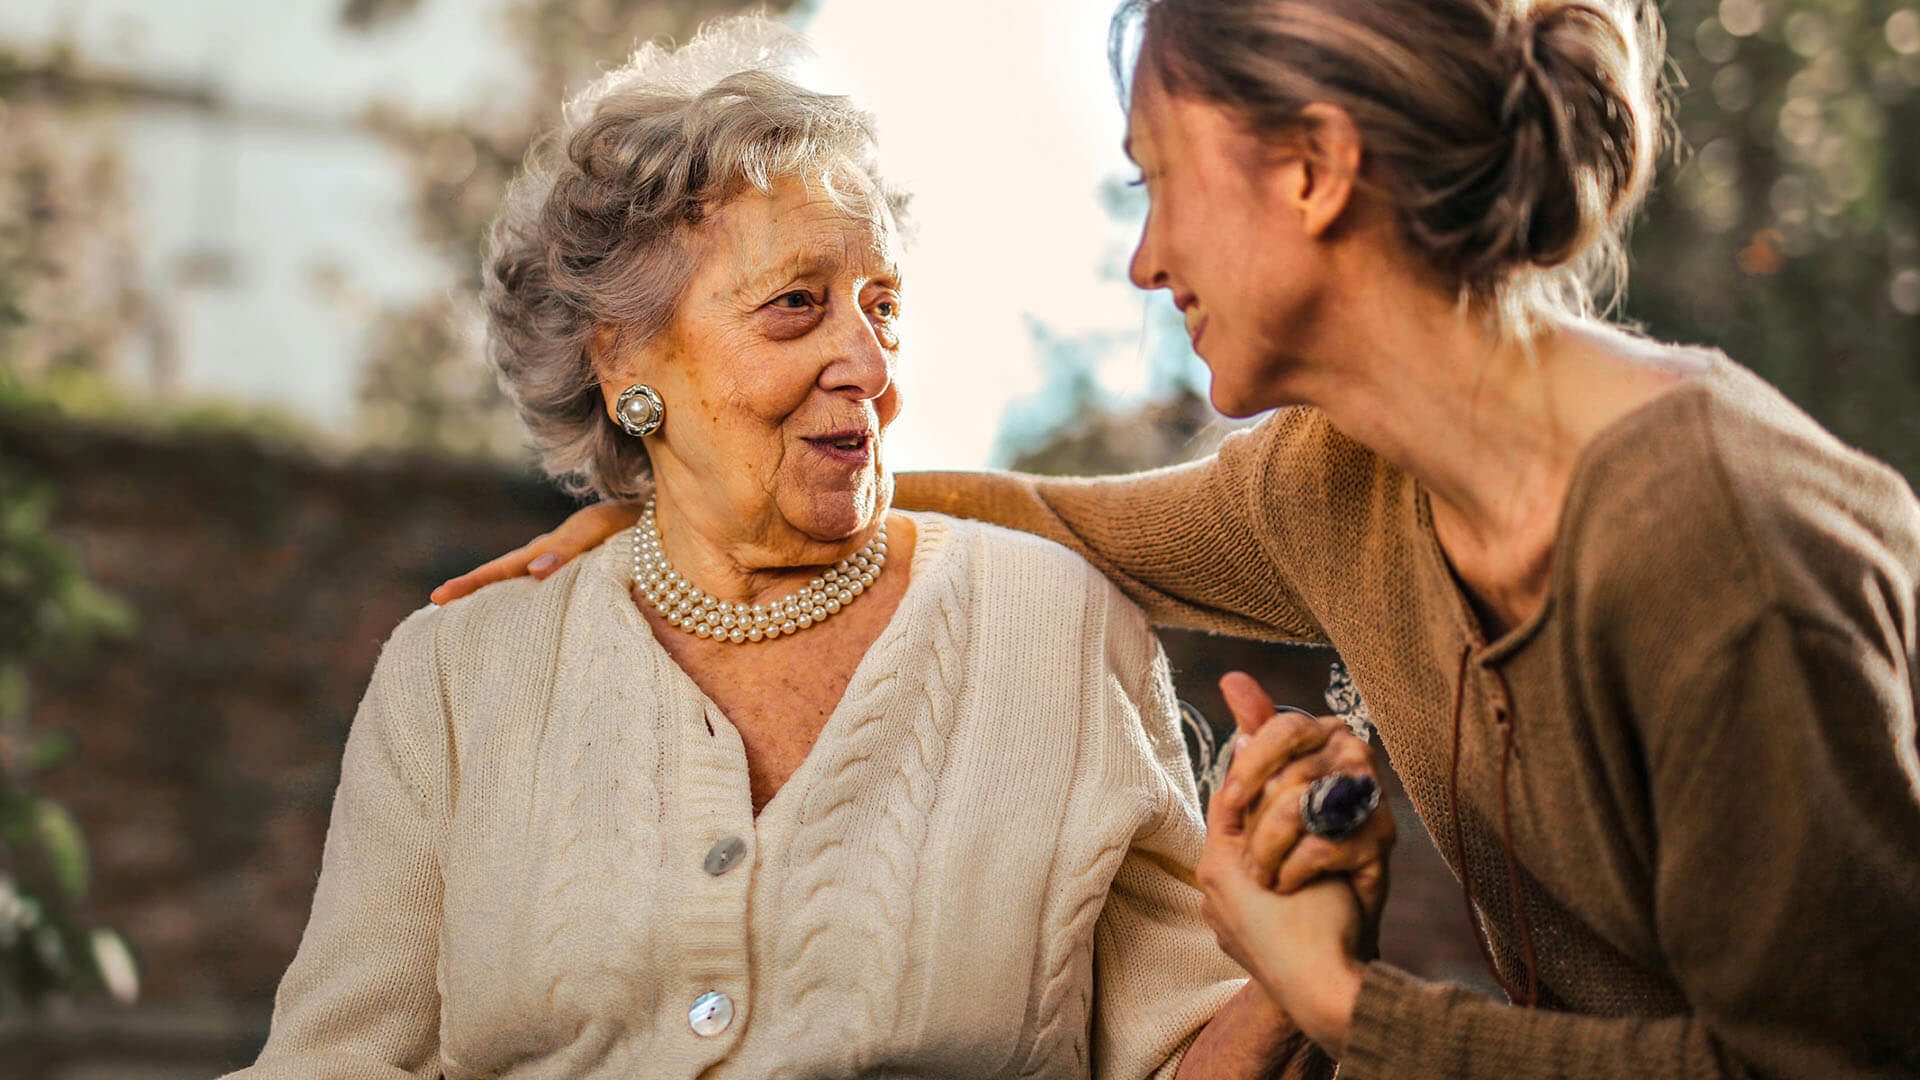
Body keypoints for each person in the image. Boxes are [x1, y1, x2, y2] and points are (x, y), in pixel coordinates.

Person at [438, 0, 1920, 1076]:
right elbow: (1050, 517)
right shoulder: (1342, 483)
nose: (1146, 257)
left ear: (1314, 168)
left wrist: (1344, 1006)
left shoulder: (1712, 551)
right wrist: (685, 509)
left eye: (1158, 178)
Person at [231, 19, 1381, 1079]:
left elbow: (1183, 1055)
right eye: (796, 305)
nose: (871, 368)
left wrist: (1290, 980)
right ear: (625, 360)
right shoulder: (458, 674)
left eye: (881, 305)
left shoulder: (1056, 627)